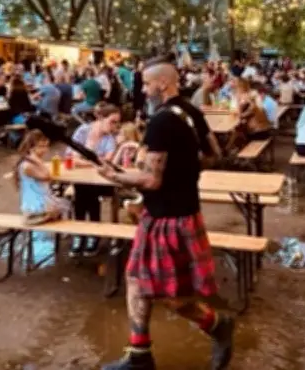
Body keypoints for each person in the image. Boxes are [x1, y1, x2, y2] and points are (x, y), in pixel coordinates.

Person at [96, 57, 232, 370]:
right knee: (139, 281)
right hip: (182, 212)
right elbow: (214, 154)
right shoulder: (190, 112)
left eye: (146, 84)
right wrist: (183, 173)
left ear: (163, 84)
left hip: (166, 219)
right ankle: (140, 355)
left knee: (173, 296)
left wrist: (113, 175)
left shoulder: (160, 121)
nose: (144, 90)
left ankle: (216, 325)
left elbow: (150, 180)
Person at [68, 103, 120, 255]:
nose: (115, 126)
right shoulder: (82, 131)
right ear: (100, 118)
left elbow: (106, 162)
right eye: (112, 121)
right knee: (84, 191)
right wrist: (94, 161)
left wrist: (84, 160)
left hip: (102, 182)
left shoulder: (110, 138)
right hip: (83, 180)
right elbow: (71, 157)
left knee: (84, 192)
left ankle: (81, 233)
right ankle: (90, 233)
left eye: (117, 122)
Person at [13, 130, 68, 225]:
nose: (45, 150)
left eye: (46, 146)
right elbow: (47, 177)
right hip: (34, 210)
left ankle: (58, 235)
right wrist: (39, 162)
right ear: (31, 148)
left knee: (66, 205)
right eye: (41, 146)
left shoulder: (30, 163)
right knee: (65, 206)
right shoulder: (28, 166)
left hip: (40, 205)